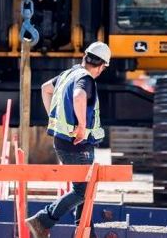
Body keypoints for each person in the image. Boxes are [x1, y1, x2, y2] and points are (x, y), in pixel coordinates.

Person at [25, 41, 111, 238]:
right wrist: (81, 126)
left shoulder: (68, 74)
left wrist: (53, 117)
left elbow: (45, 88)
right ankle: (42, 221)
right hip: (78, 144)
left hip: (64, 141)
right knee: (82, 191)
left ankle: (86, 232)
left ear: (84, 57)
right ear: (102, 65)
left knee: (85, 189)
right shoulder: (85, 78)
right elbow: (79, 96)